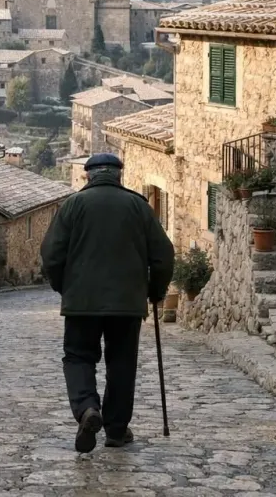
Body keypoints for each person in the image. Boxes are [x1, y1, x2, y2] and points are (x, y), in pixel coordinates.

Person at [40, 152, 175, 453]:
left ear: (88, 176)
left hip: (81, 301)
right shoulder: (139, 206)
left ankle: (87, 408)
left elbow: (50, 254)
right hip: (127, 303)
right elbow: (164, 256)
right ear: (119, 175)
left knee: (78, 356)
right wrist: (155, 291)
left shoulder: (73, 205)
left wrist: (65, 287)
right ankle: (116, 430)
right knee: (122, 362)